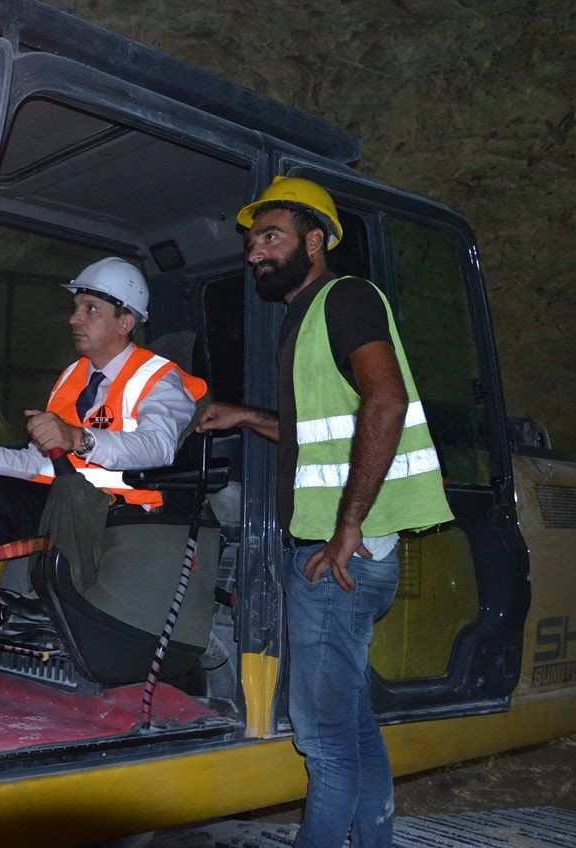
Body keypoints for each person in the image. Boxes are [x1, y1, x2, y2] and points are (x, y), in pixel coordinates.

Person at [197, 177, 452, 848]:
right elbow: (326, 428)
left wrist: (347, 528)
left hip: (337, 562)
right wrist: (249, 415)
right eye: (252, 242)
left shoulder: (347, 299)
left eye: (271, 237)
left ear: (316, 241)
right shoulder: (307, 316)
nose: (256, 253)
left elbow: (385, 402)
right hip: (336, 556)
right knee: (351, 725)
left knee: (325, 742)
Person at [0, 256, 207, 695]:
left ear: (126, 321)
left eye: (90, 310)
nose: (74, 319)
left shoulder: (159, 379)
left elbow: (157, 446)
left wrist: (79, 437)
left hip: (115, 512)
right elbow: (39, 462)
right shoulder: (73, 378)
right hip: (57, 500)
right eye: (76, 307)